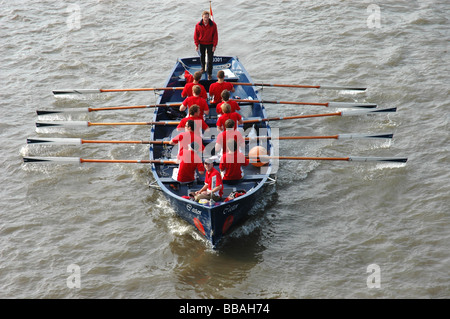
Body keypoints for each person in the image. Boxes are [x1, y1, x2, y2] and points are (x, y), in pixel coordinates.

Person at [194, 10, 218, 80]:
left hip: (210, 43)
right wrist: (196, 45)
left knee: (210, 60)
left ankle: (209, 73)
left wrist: (214, 45)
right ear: (202, 17)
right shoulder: (198, 25)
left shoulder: (213, 25)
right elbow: (196, 35)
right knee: (202, 57)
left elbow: (215, 36)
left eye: (207, 18)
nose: (206, 19)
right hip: (202, 43)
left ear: (209, 17)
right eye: (205, 17)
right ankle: (203, 68)